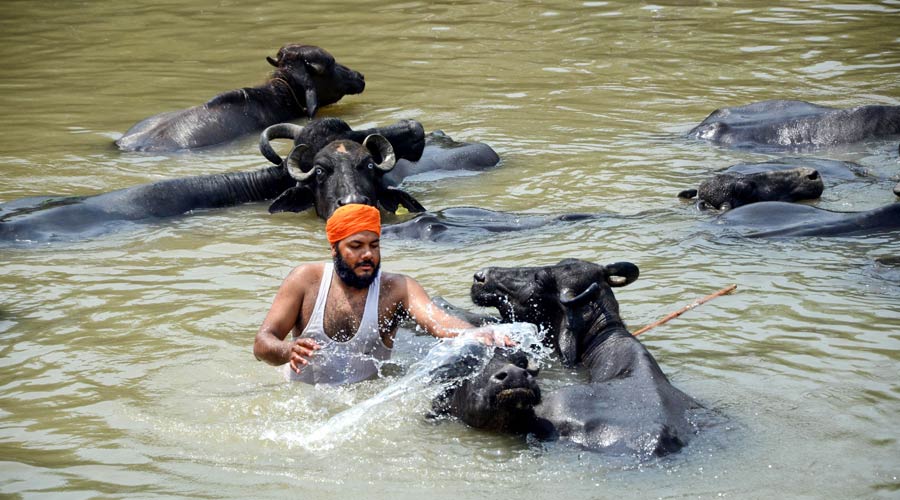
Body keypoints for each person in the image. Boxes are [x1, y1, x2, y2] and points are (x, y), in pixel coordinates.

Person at [253, 203, 506, 384]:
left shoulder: (398, 289)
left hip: (362, 401)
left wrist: (474, 333)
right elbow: (262, 342)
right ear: (334, 249)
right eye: (356, 246)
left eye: (374, 245)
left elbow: (440, 322)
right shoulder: (305, 280)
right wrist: (288, 351)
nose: (368, 255)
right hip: (299, 396)